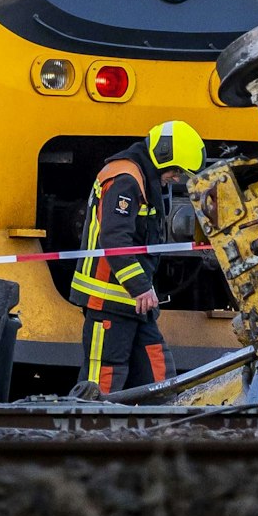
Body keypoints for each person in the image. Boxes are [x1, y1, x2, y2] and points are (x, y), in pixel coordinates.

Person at [67, 120, 205, 395]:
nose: (177, 178)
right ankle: (89, 435)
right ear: (163, 155)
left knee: (159, 378)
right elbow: (115, 239)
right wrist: (141, 287)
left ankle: (161, 433)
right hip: (107, 299)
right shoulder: (125, 179)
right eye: (176, 170)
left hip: (133, 303)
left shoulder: (142, 178)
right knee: (101, 383)